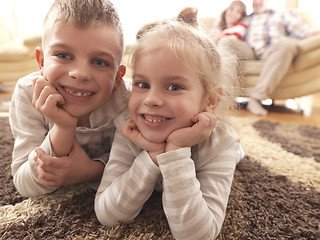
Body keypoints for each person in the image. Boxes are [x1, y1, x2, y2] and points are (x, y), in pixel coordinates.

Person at [95, 19, 243, 240]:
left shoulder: (221, 143)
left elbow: (199, 234)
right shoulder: (129, 127)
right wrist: (153, 155)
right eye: (142, 85)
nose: (151, 100)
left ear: (210, 101)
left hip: (228, 148)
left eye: (174, 87)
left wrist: (175, 151)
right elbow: (107, 214)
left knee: (239, 155)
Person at [9, 0, 129, 197]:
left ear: (118, 77)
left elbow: (145, 170)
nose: (80, 74)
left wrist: (90, 171)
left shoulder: (129, 101)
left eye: (99, 62)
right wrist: (63, 128)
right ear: (41, 61)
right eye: (63, 55)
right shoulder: (27, 93)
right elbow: (25, 185)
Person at [225, 0, 319, 115]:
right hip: (249, 51)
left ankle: (256, 98)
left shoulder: (282, 14)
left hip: (271, 52)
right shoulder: (245, 18)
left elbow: (305, 31)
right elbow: (225, 28)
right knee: (227, 41)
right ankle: (225, 97)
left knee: (288, 44)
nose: (257, 2)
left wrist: (314, 34)